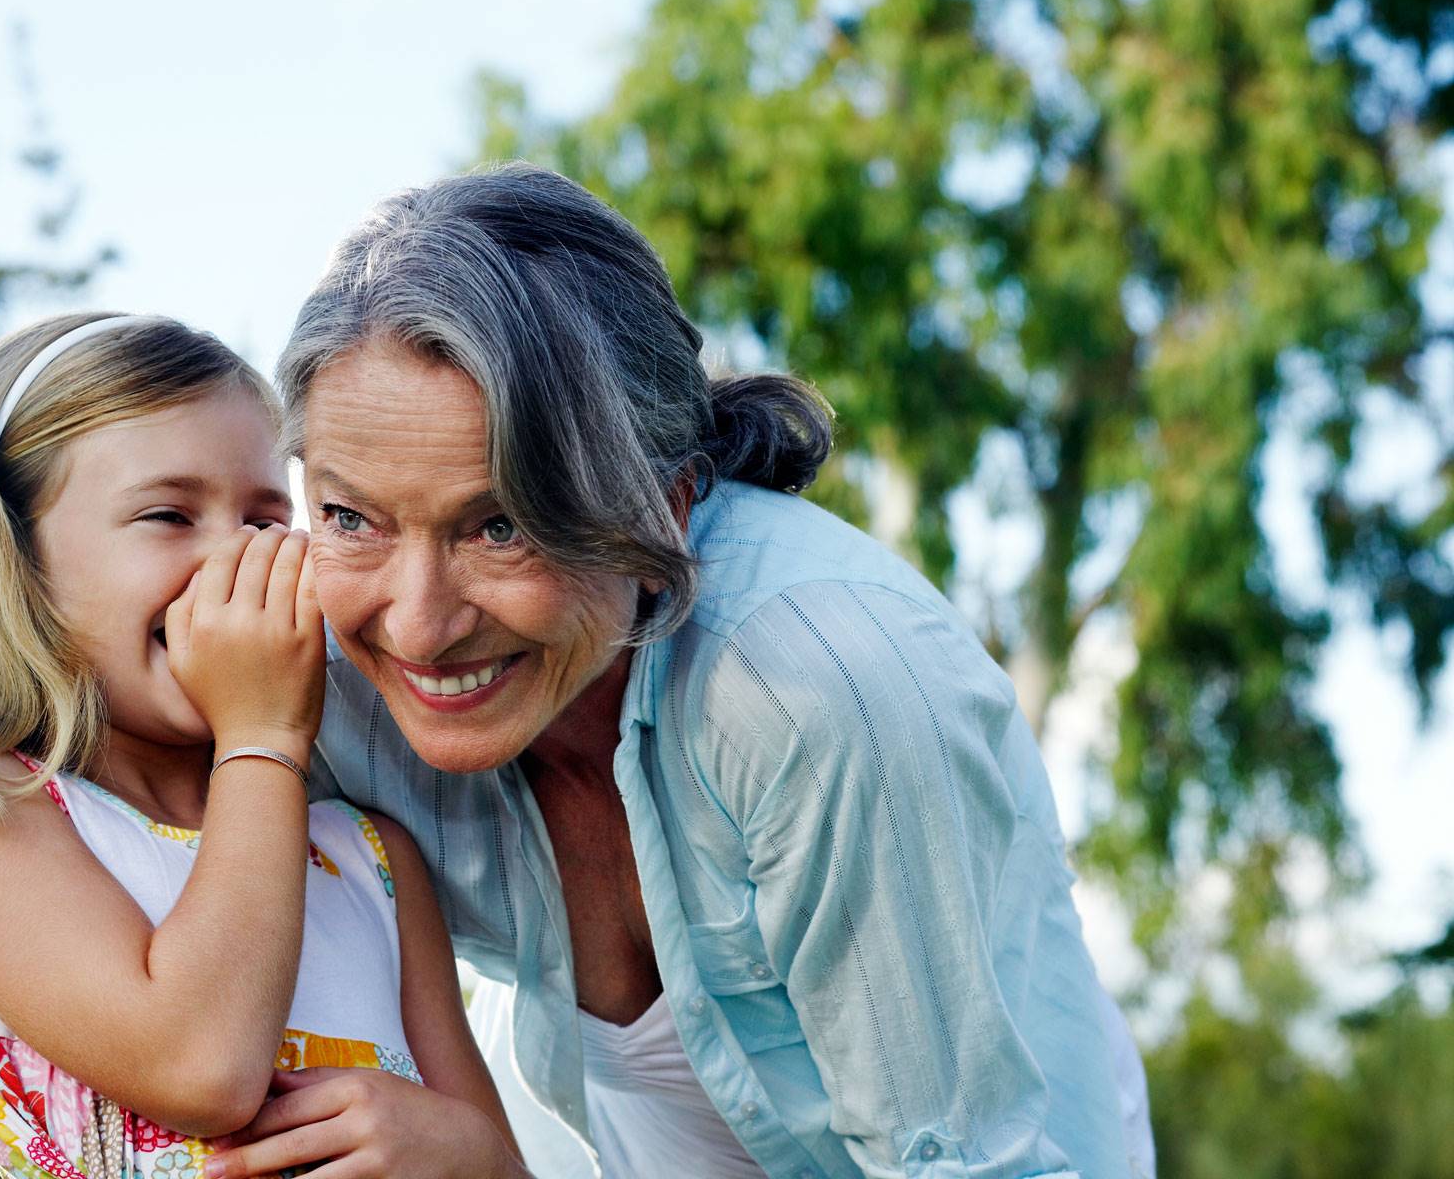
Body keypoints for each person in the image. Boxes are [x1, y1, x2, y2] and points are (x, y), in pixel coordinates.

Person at [212, 164, 1156, 1179]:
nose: (419, 624)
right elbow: (43, 794)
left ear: (666, 502)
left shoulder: (820, 695)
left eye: (503, 525)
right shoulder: (306, 667)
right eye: (352, 517)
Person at [0, 314, 529, 1179]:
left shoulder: (372, 859)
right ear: (16, 564)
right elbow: (202, 1067)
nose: (231, 559)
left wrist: (473, 1155)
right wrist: (262, 735)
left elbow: (500, 1162)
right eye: (169, 515)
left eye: (265, 518)